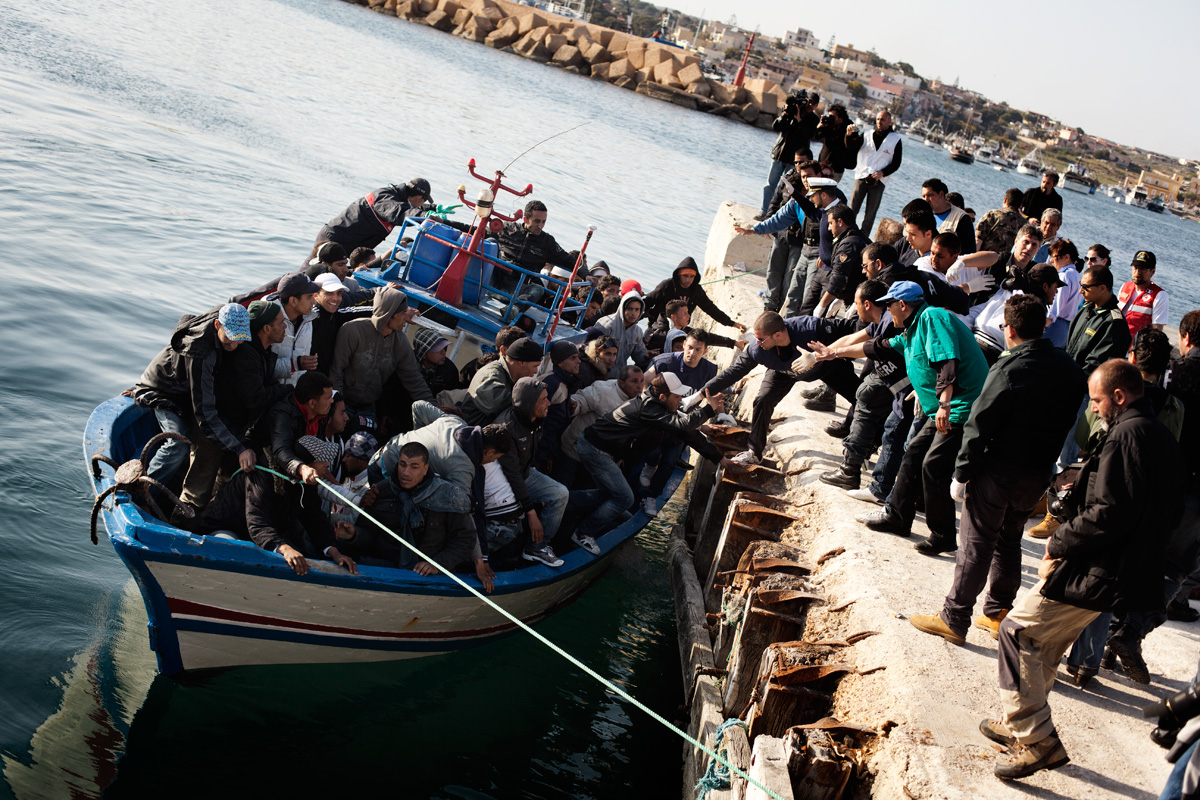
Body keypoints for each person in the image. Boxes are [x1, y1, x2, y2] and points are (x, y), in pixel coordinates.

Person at [982, 359, 1182, 780]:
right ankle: (1022, 723)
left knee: (1016, 632)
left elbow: (1110, 511)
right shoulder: (1160, 435)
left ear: (1119, 396)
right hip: (1123, 570)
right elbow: (1171, 510)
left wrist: (1059, 539)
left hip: (1101, 568)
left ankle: (1036, 740)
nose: (1092, 409)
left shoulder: (1126, 436)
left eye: (1096, 400)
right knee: (1045, 644)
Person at [907, 295, 1086, 647]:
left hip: (998, 469)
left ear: (1011, 329)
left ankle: (954, 617)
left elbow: (979, 424)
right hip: (1037, 473)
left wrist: (961, 473)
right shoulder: (1070, 369)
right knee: (1008, 540)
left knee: (977, 543)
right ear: (1045, 325)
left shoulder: (1008, 368)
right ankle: (997, 610)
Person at [813, 281, 989, 553]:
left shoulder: (932, 317)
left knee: (933, 466)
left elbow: (947, 361)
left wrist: (943, 402)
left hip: (959, 407)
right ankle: (897, 517)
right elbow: (875, 348)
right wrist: (832, 353)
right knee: (913, 456)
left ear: (903, 305)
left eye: (890, 305)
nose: (888, 310)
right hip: (943, 407)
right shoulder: (912, 329)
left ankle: (942, 535)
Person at [1030, 264, 1134, 538]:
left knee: (1070, 454)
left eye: (1086, 287)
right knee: (1053, 446)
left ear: (1103, 288)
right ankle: (1045, 498)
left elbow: (1096, 365)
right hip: (1068, 386)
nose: (1081, 291)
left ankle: (1058, 513)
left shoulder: (1114, 323)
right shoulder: (1087, 309)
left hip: (1086, 395)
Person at [129, 303, 255, 517]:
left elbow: (245, 297)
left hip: (184, 392)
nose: (235, 344)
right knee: (178, 443)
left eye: (240, 338)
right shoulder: (201, 353)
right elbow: (205, 414)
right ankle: (140, 492)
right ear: (217, 325)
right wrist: (239, 448)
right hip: (162, 392)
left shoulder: (223, 322)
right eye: (231, 338)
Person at [574, 373, 731, 537]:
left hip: (605, 449)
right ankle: (583, 533)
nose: (680, 400)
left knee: (609, 495)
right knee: (625, 498)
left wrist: (720, 459)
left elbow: (689, 434)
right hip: (596, 449)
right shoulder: (649, 409)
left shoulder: (659, 407)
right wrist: (708, 408)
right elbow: (684, 425)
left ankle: (564, 502)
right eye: (677, 396)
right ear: (663, 396)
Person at [703, 311, 862, 466]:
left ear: (778, 335)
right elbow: (733, 372)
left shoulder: (811, 329)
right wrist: (702, 393)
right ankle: (753, 451)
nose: (756, 342)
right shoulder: (757, 349)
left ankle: (864, 444)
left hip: (827, 367)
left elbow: (858, 329)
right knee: (763, 400)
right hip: (782, 371)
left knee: (862, 398)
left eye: (760, 339)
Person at [196, 442, 358, 577]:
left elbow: (315, 519)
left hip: (261, 536)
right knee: (234, 553)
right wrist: (285, 549)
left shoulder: (305, 484)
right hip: (228, 528)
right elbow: (257, 523)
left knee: (301, 557)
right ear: (305, 465)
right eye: (323, 461)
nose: (327, 465)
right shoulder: (261, 477)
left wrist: (334, 552)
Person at [817, 280, 911, 491]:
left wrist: (833, 354)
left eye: (857, 303)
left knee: (867, 396)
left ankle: (849, 470)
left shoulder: (890, 321)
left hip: (901, 383)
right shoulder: (882, 318)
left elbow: (866, 349)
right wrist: (820, 354)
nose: (855, 308)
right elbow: (854, 338)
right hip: (895, 381)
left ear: (867, 304)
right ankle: (861, 462)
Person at [350, 442, 478, 574]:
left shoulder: (446, 495)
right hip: (387, 566)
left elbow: (465, 540)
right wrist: (354, 534)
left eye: (414, 467)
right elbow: (370, 534)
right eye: (402, 465)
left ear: (425, 469)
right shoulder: (382, 491)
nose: (406, 473)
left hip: (430, 573)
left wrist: (437, 564)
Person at [495, 378, 572, 564]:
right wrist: (530, 512)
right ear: (529, 403)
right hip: (503, 482)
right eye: (544, 400)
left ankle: (537, 547)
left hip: (525, 472)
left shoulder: (535, 419)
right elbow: (511, 474)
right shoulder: (506, 429)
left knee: (560, 494)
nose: (549, 403)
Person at [329, 286, 432, 425]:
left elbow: (414, 379)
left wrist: (434, 408)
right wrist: (337, 408)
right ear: (390, 314)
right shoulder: (352, 331)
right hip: (343, 402)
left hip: (368, 407)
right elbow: (336, 372)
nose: (406, 318)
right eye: (403, 313)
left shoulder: (400, 342)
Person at [555, 366, 644, 489]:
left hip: (600, 461)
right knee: (563, 489)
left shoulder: (641, 402)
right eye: (634, 381)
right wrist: (574, 405)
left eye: (642, 381)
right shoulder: (602, 390)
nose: (639, 386)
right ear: (621, 383)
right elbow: (582, 400)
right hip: (573, 452)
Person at [759, 158, 822, 313]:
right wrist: (769, 224)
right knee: (773, 272)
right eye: (803, 175)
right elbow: (776, 203)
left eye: (809, 175)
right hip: (782, 235)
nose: (805, 179)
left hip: (799, 242)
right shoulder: (790, 183)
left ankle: (781, 309)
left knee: (790, 279)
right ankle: (769, 305)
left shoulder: (824, 194)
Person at [314, 178, 431, 257]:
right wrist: (425, 216)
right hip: (333, 240)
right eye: (423, 202)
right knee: (310, 277)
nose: (421, 205)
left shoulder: (395, 198)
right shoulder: (386, 199)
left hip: (349, 244)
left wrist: (433, 208)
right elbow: (400, 212)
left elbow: (406, 208)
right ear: (419, 198)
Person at [642, 257, 746, 338]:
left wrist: (732, 323)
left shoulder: (696, 291)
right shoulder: (667, 286)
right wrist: (644, 313)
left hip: (679, 330)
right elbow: (648, 301)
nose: (689, 280)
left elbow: (710, 308)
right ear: (678, 275)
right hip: (656, 328)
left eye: (692, 277)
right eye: (685, 276)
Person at [491, 199, 576, 296]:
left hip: (516, 288)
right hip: (491, 278)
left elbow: (568, 260)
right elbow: (479, 232)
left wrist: (587, 274)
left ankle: (514, 309)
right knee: (490, 241)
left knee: (538, 290)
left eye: (543, 222)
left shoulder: (547, 242)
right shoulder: (506, 228)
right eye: (537, 221)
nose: (540, 226)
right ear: (525, 219)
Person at [460, 336, 543, 425]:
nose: (536, 371)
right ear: (521, 363)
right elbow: (501, 406)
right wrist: (533, 407)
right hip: (470, 433)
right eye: (535, 366)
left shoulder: (511, 376)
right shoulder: (490, 375)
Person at [806, 204, 869, 320]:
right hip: (858, 296)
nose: (829, 228)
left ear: (840, 222)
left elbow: (838, 278)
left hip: (860, 299)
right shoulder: (859, 237)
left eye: (831, 223)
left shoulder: (848, 245)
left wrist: (822, 305)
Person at [760, 91, 819, 214]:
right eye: (809, 101)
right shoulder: (791, 111)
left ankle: (779, 214)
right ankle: (764, 211)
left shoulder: (813, 119)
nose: (810, 105)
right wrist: (785, 114)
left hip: (795, 160)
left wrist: (799, 120)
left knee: (788, 188)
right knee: (770, 185)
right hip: (780, 153)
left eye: (814, 104)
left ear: (816, 106)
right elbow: (776, 126)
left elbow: (809, 135)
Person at [849, 109, 902, 238]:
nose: (879, 122)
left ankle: (863, 237)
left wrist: (882, 173)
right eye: (878, 119)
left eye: (882, 119)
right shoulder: (867, 134)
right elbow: (852, 146)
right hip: (861, 176)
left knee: (870, 213)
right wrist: (849, 135)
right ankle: (847, 231)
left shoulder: (896, 140)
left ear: (889, 121)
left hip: (879, 181)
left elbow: (896, 163)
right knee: (852, 208)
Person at [534, 340, 582, 475]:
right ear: (560, 362)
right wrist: (545, 456)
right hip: (539, 453)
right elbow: (541, 423)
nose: (578, 361)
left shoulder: (565, 383)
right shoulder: (550, 383)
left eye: (578, 357)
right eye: (573, 358)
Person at [271, 272, 322, 386]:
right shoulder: (270, 322)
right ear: (293, 301)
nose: (314, 302)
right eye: (309, 297)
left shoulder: (308, 318)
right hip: (273, 394)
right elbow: (262, 367)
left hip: (295, 393)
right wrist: (296, 364)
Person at [595, 292, 648, 378]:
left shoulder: (637, 332)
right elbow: (592, 352)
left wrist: (647, 356)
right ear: (622, 308)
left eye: (637, 309)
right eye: (630, 309)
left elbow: (639, 357)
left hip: (619, 377)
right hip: (598, 374)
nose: (633, 313)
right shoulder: (606, 325)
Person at [1117, 250, 1169, 337]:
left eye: (1143, 269)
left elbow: (1157, 332)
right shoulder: (1124, 287)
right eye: (1135, 268)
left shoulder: (1159, 295)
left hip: (1136, 348)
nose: (1138, 272)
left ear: (1152, 271)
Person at [1043, 239, 1083, 347]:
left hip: (1054, 324)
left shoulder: (1064, 275)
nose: (1051, 261)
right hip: (1066, 328)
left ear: (1066, 257)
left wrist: (1045, 323)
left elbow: (1056, 303)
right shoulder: (1077, 275)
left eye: (1054, 257)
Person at [810, 103, 863, 184]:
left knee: (827, 192)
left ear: (841, 118)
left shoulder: (849, 128)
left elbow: (844, 146)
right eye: (829, 116)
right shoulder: (829, 124)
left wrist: (848, 135)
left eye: (833, 117)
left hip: (836, 169)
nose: (831, 118)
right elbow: (816, 137)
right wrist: (820, 126)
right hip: (822, 165)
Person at [921, 179, 976, 255]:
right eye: (923, 196)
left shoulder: (961, 218)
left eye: (930, 195)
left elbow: (969, 252)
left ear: (941, 194)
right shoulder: (922, 214)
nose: (926, 200)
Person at [974, 189, 1026, 254]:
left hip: (983, 258)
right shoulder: (1024, 224)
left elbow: (978, 239)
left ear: (1005, 200)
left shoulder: (992, 214)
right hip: (1004, 261)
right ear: (1021, 205)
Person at [413, 328, 461, 398]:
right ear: (423, 354)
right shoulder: (405, 364)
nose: (444, 352)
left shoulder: (450, 371)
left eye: (444, 348)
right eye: (438, 349)